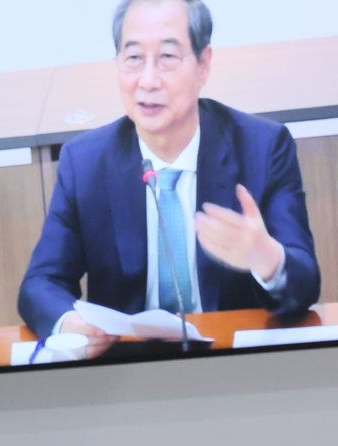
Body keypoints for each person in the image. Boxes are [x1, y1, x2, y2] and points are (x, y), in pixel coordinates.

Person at [17, 0, 320, 355]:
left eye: (167, 57)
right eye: (133, 58)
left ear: (204, 64)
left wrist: (268, 260)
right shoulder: (85, 163)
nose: (148, 80)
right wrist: (70, 323)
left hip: (235, 365)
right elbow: (40, 284)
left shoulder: (263, 148)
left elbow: (305, 286)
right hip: (127, 371)